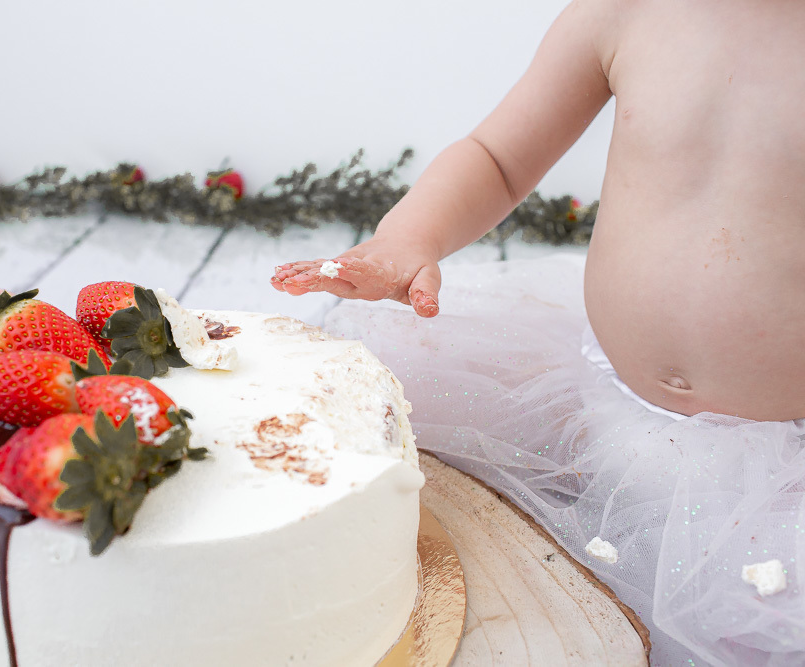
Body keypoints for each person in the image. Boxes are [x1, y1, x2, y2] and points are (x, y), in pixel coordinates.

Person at [271, 0, 805, 664]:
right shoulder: (628, 11)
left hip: (776, 476)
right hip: (593, 395)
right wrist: (409, 236)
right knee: (482, 553)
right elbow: (498, 157)